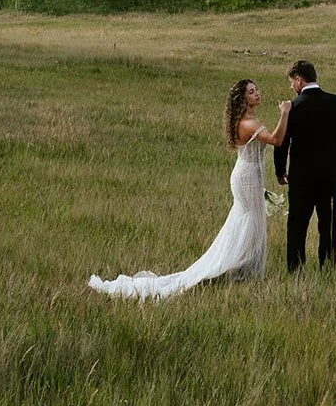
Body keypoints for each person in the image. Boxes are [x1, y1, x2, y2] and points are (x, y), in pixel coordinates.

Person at [88, 79, 289, 300]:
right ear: (242, 99)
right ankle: (231, 269)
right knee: (249, 222)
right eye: (251, 92)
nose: (257, 94)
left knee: (251, 221)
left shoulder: (250, 119)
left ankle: (242, 270)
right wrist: (284, 113)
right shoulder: (247, 123)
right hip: (247, 176)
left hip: (249, 175)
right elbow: (276, 140)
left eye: (256, 90)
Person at [275, 60, 336, 272]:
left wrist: (280, 171)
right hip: (331, 176)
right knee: (328, 225)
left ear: (299, 79)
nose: (291, 86)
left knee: (297, 225)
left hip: (301, 178)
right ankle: (327, 268)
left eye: (292, 82)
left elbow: (282, 142)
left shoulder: (293, 107)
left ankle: (296, 270)